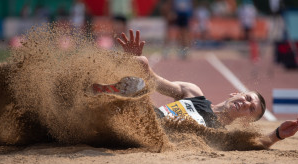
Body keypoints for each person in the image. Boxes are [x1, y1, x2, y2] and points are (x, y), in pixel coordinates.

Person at [93, 29, 298, 149]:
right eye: (247, 98)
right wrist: (138, 64)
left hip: (150, 133)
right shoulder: (193, 93)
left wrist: (278, 134)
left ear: (246, 120)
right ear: (236, 93)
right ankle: (98, 92)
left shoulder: (220, 135)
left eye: (250, 109)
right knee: (141, 64)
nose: (245, 103)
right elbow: (154, 80)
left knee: (138, 97)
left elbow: (256, 142)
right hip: (140, 115)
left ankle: (117, 95)